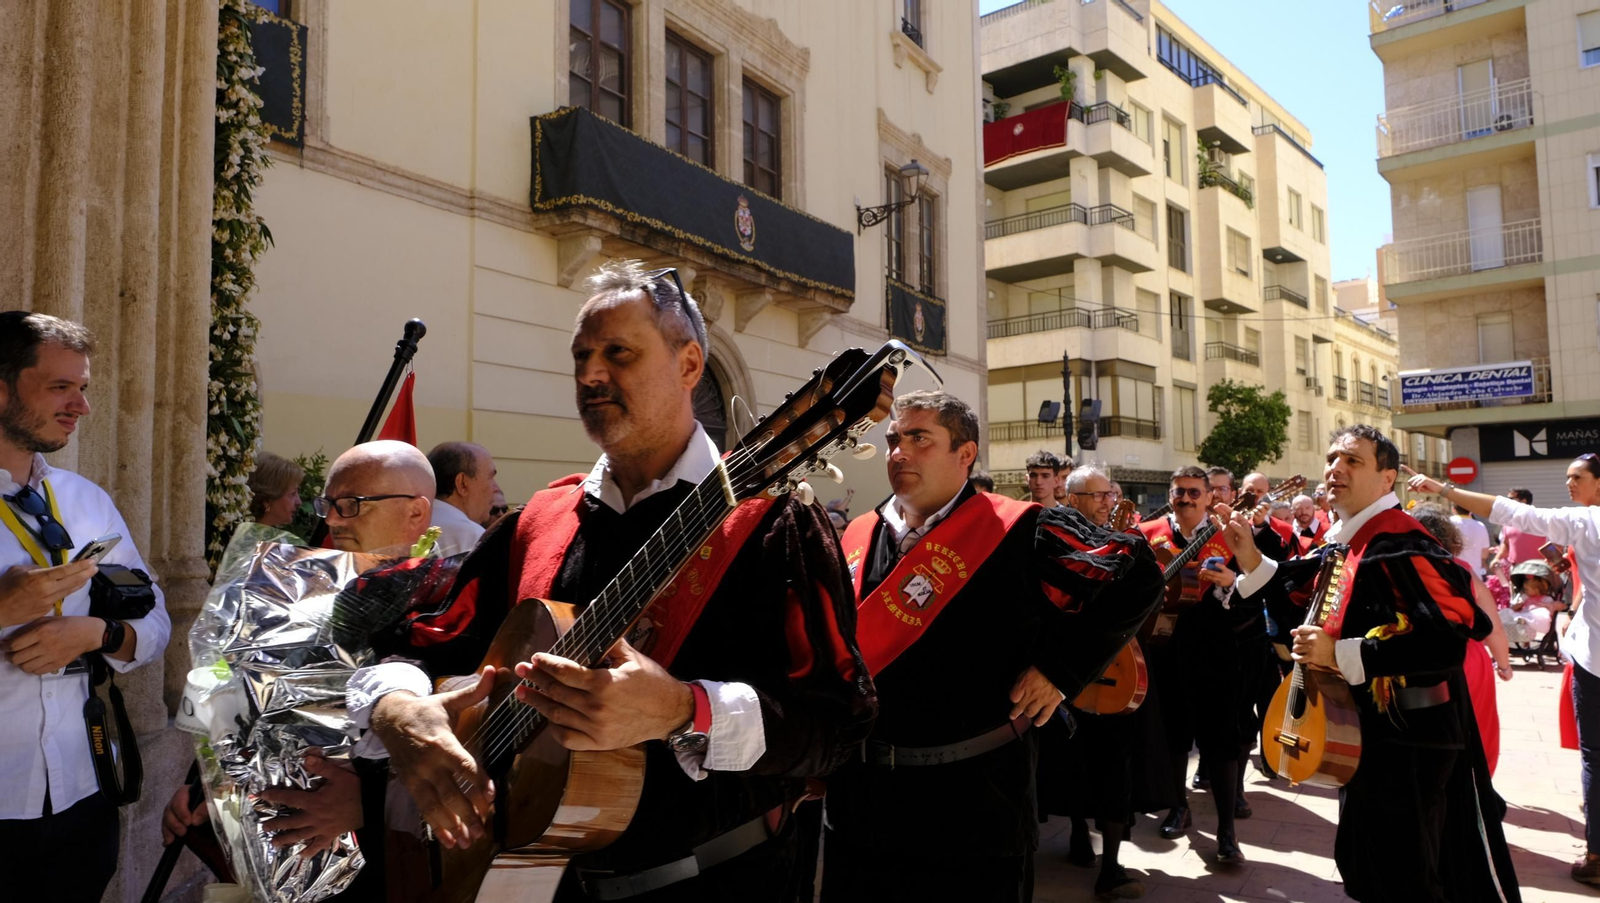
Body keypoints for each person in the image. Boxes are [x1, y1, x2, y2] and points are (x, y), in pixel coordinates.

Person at [350, 260, 873, 902]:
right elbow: (417, 642)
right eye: (582, 356)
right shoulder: (538, 521)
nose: (591, 375)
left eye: (618, 353)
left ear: (689, 367)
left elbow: (839, 723)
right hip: (525, 884)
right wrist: (398, 710)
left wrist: (687, 708)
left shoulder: (776, 526)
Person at [823, 393, 1161, 902]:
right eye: (894, 438)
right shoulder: (859, 532)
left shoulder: (1022, 528)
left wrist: (1060, 670)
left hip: (975, 805)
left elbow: (1136, 575)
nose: (898, 452)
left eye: (919, 438)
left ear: (966, 454)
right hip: (862, 803)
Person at [1223, 425, 1519, 902]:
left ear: (1388, 480)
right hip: (1368, 735)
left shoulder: (1400, 543)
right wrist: (1250, 558)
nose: (1335, 468)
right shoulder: (1350, 540)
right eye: (1332, 458)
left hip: (1410, 740)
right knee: (1370, 865)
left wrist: (1340, 653)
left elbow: (1444, 644)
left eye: (1353, 460)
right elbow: (1303, 610)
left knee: (1407, 875)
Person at [162, 440, 440, 902]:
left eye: (352, 505)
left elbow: (468, 755)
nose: (332, 520)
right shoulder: (299, 592)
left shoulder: (445, 605)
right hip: (277, 853)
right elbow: (239, 705)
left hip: (390, 869)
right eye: (328, 504)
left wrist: (366, 805)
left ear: (416, 512)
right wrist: (202, 788)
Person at [0, 311, 172, 902]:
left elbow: (155, 618)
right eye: (59, 387)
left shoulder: (85, 501)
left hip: (79, 795)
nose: (82, 406)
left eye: (84, 388)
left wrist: (95, 634)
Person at [1405, 452, 1600, 887]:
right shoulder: (1581, 523)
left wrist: (1442, 489)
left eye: (1578, 478)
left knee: (1596, 757)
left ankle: (1597, 852)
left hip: (1593, 660)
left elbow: (1510, 512)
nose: (1569, 485)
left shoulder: (1587, 523)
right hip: (1584, 656)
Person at [1137, 466, 1284, 864]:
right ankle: (1177, 806)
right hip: (1164, 647)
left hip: (1216, 648)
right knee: (1173, 736)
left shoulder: (1228, 535)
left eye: (1193, 493)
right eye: (1178, 492)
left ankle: (1226, 832)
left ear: (1208, 498)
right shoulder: (1149, 534)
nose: (1185, 499)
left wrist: (1228, 586)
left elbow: (1258, 595)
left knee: (1219, 739)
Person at [1043, 464, 1157, 900]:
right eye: (1098, 496)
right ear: (1072, 501)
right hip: (1065, 676)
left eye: (1110, 495)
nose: (1109, 503)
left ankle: (1111, 866)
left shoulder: (1131, 544)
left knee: (1115, 769)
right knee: (1069, 761)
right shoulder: (1051, 540)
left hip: (1116, 674)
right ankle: (1076, 833)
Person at [1411, 503, 1513, 776]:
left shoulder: (1399, 570)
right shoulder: (1463, 570)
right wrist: (1504, 665)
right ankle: (1475, 792)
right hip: (1467, 659)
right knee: (1477, 728)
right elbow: (1493, 628)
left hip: (1414, 657)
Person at [426, 441, 499, 558]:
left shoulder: (411, 523)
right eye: (490, 478)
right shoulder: (473, 536)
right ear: (462, 484)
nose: (495, 488)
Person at [1490, 488, 1546, 569]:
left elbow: (1555, 544)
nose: (1507, 502)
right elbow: (1506, 545)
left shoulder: (1540, 519)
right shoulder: (1507, 522)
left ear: (1523, 501)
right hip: (1516, 571)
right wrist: (1497, 559)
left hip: (1540, 571)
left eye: (1511, 499)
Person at [247, 451, 305, 528]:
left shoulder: (274, 537)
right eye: (292, 494)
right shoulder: (243, 537)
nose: (299, 502)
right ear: (267, 500)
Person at [1452, 503, 1492, 578]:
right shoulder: (1480, 525)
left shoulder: (1448, 523)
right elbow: (1484, 552)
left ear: (1453, 509)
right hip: (1475, 573)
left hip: (1453, 571)